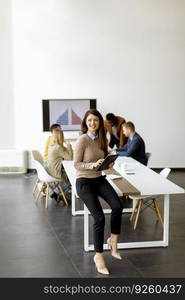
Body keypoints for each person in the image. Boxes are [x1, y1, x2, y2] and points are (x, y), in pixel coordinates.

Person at [74, 109, 123, 275]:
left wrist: (110, 161)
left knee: (118, 206)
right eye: (89, 121)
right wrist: (91, 165)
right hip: (84, 182)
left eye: (95, 120)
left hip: (99, 179)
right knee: (99, 217)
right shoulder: (82, 140)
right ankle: (99, 256)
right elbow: (76, 164)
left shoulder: (103, 138)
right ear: (85, 123)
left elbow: (108, 152)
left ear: (100, 122)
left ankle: (113, 239)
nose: (92, 123)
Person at [45, 129, 73, 202]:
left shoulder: (51, 146)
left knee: (69, 177)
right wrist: (69, 145)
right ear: (61, 137)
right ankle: (60, 194)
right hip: (55, 172)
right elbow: (70, 158)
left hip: (49, 170)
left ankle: (57, 193)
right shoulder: (58, 148)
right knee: (72, 179)